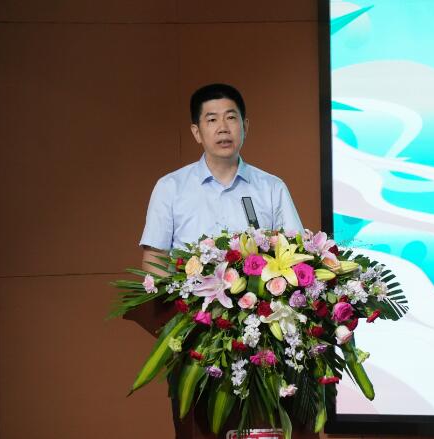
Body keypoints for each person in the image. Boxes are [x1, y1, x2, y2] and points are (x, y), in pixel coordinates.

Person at [127, 83, 304, 438]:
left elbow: (298, 260)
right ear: (197, 131)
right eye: (211, 120)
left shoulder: (271, 188)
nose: (223, 128)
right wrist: (182, 322)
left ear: (245, 126)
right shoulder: (171, 188)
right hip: (198, 344)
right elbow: (155, 262)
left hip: (264, 345)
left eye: (231, 118)